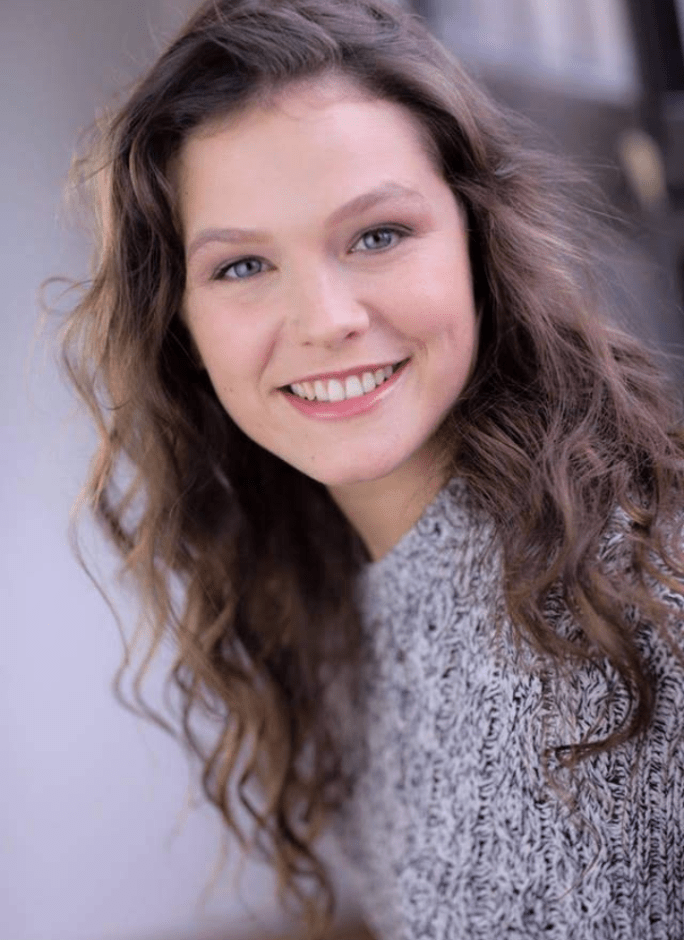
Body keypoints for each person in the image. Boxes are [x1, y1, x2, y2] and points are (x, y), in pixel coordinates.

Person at [61, 0, 684, 937]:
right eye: (242, 267)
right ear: (180, 322)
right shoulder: (319, 601)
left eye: (379, 234)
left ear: (478, 239)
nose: (325, 320)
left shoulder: (651, 595)